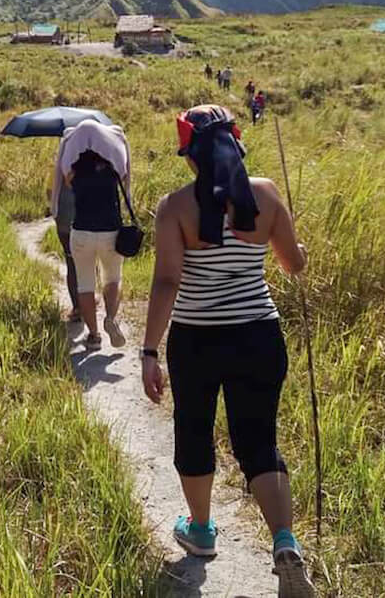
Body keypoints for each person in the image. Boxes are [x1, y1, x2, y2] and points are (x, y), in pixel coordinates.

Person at [139, 105, 312, 596]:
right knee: (259, 441)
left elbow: (168, 280)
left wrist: (149, 351)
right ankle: (284, 542)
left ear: (189, 156)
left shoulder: (174, 207)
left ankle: (200, 531)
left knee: (194, 431)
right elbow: (293, 265)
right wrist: (297, 252)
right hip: (259, 333)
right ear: (238, 143)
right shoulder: (266, 194)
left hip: (197, 340)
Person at [60, 119, 132, 350]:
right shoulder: (113, 168)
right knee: (113, 279)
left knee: (85, 285)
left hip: (81, 232)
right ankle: (110, 318)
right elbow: (125, 176)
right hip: (110, 231)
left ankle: (93, 335)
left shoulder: (74, 169)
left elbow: (67, 182)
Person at [50, 133, 81, 321]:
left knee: (71, 263)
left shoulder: (56, 167)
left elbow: (49, 193)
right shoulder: (90, 165)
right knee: (87, 264)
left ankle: (77, 307)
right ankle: (89, 300)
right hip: (87, 223)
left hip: (64, 223)